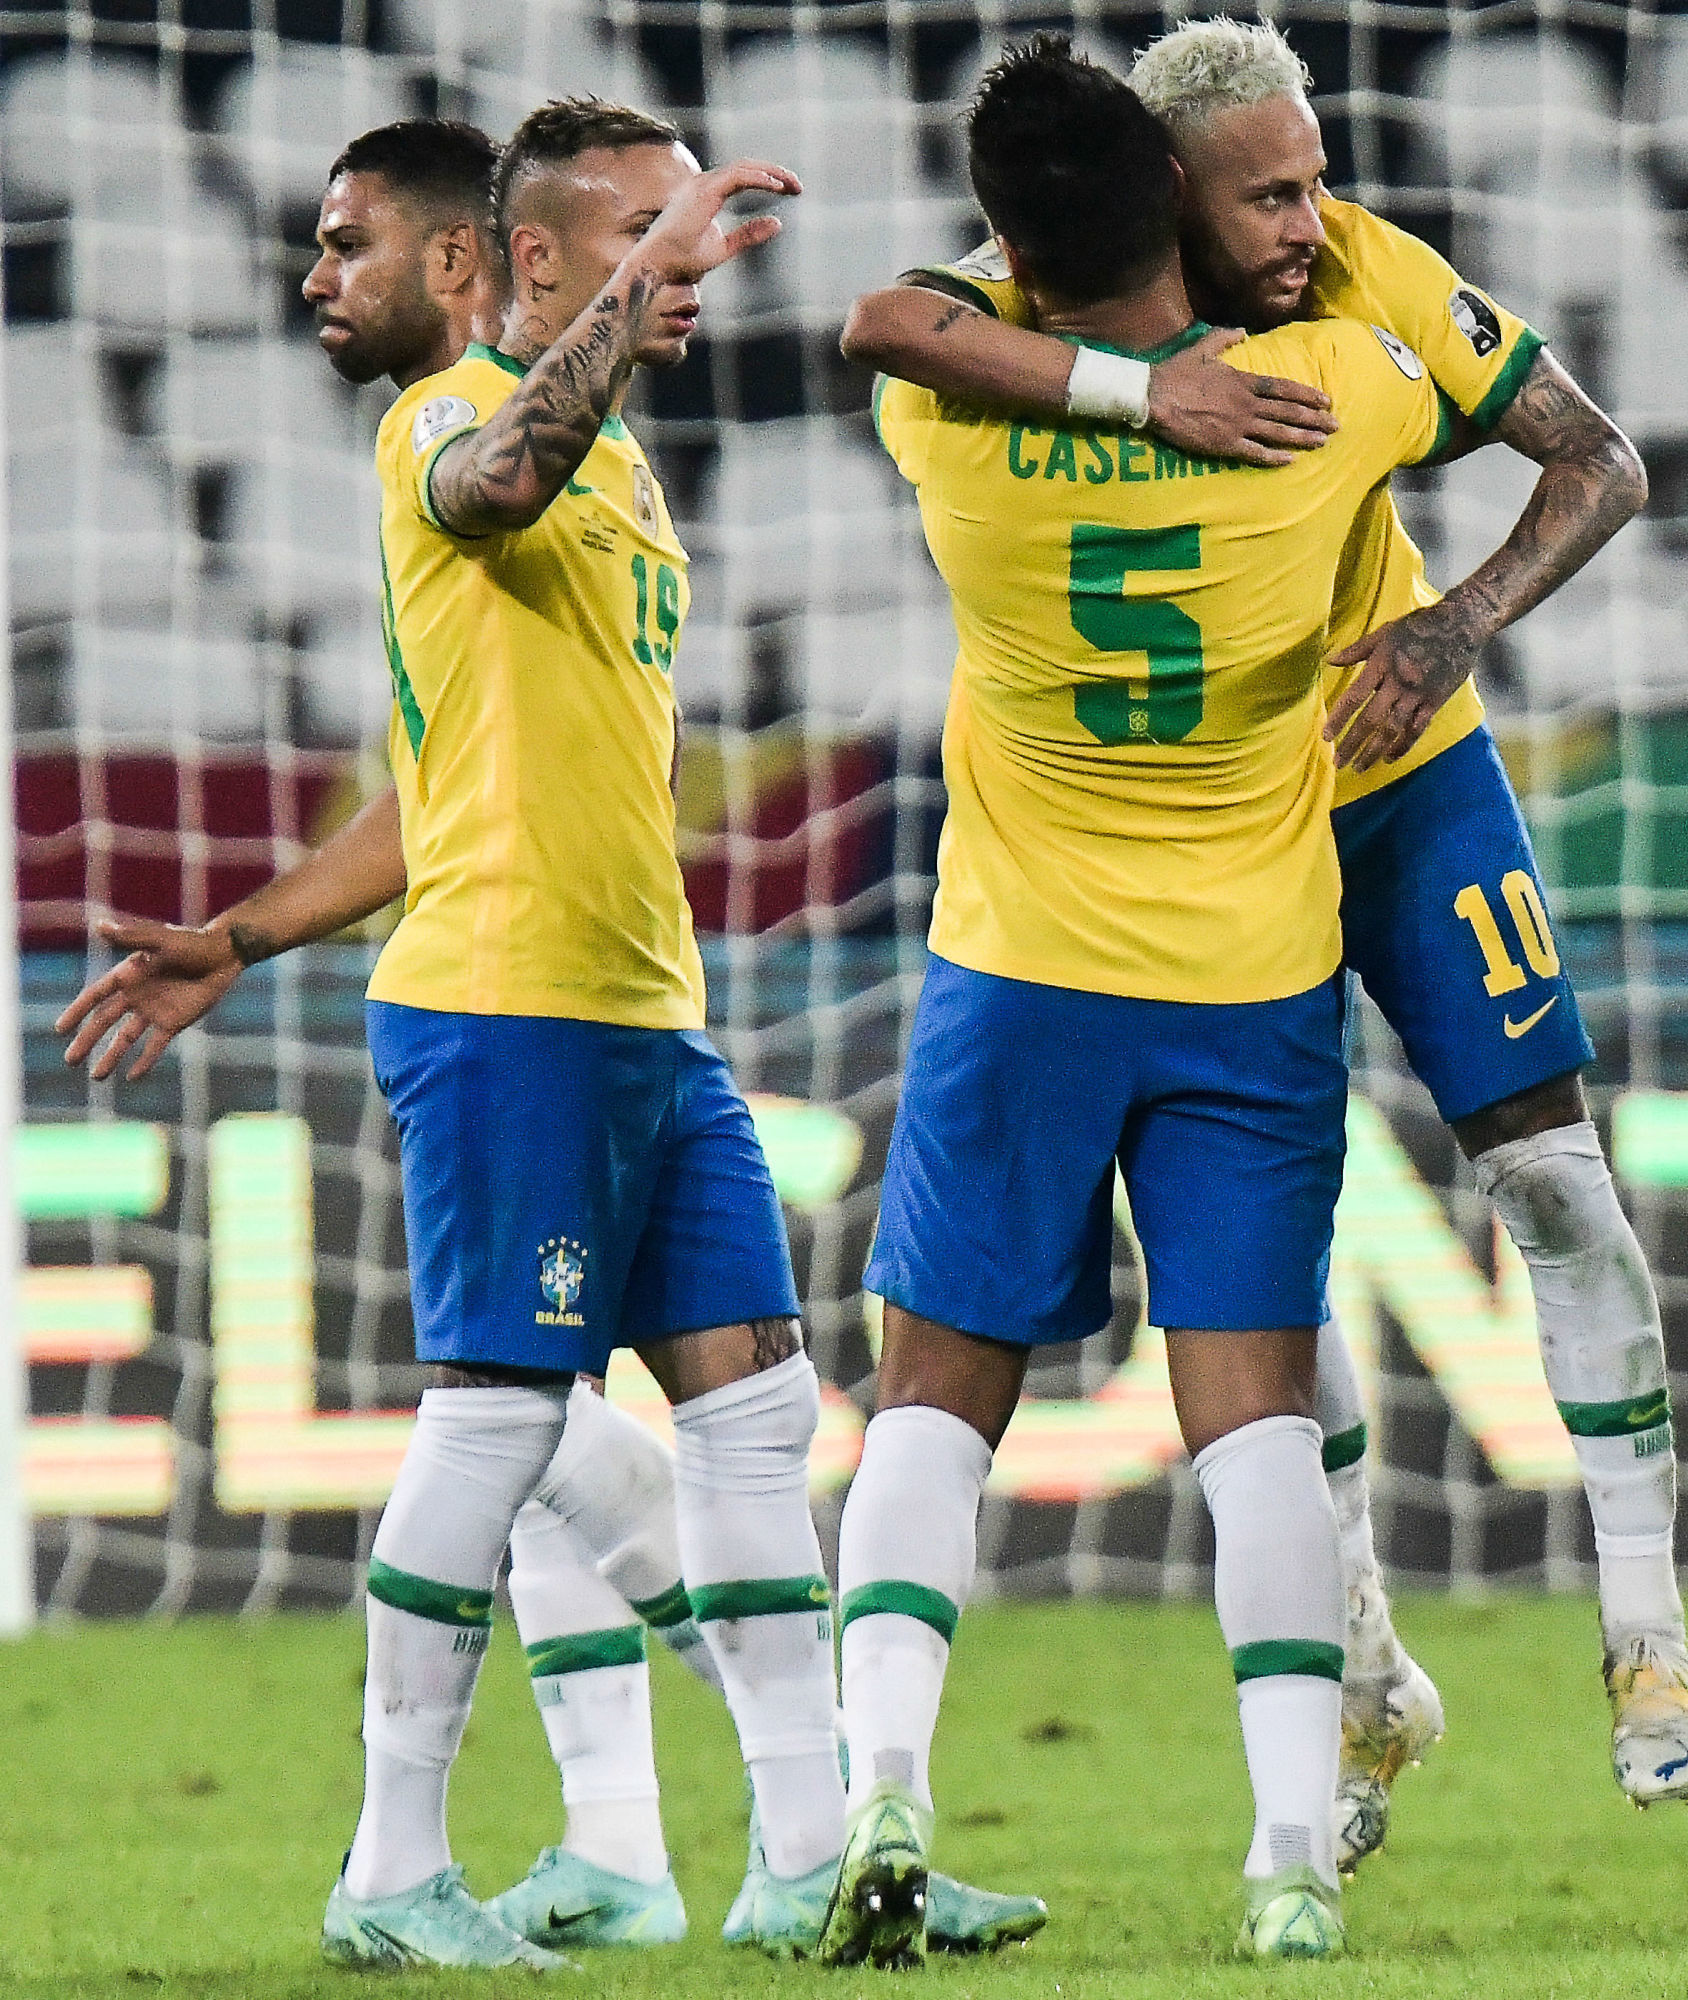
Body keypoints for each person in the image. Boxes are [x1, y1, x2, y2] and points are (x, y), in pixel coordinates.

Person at [57, 114, 1044, 1962]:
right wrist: (653, 278)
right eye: (637, 235)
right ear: (503, 265)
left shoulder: (626, 474)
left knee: (755, 1419)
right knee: (500, 1417)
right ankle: (390, 1876)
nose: (679, 264)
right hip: (507, 1010)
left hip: (644, 1019)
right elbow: (500, 474)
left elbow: (435, 785)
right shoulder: (449, 421)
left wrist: (247, 931)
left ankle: (805, 1858)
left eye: (339, 240)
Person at [842, 13, 1688, 1850]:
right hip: (1210, 829)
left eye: (1316, 177)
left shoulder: (1368, 277)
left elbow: (1598, 458)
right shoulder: (1011, 300)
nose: (1313, 219)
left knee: (1554, 1179)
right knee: (1258, 1263)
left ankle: (1644, 1630)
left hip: (1401, 768)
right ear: (1164, 194)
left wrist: (1446, 625)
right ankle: (1367, 1675)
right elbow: (893, 317)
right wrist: (1136, 393)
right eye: (1273, 191)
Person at [825, 37, 1467, 1966]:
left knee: (929, 1406)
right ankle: (1286, 1860)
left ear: (1016, 257)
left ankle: (882, 1795)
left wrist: (1083, 346)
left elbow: (905, 320)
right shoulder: (1330, 398)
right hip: (1244, 986)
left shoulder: (941, 427)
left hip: (1014, 973)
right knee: (1253, 1423)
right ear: (1179, 215)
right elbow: (1454, 377)